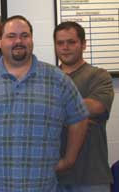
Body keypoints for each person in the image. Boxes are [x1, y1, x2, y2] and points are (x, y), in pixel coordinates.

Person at [0, 15, 89, 191]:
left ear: (32, 40)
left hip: (41, 184)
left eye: (24, 35)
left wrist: (69, 159)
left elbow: (79, 118)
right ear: (0, 42)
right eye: (11, 36)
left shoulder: (58, 79)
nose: (18, 41)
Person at [54, 21, 114, 192]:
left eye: (71, 42)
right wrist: (76, 120)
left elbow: (96, 107)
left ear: (83, 44)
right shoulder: (49, 78)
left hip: (91, 176)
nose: (65, 47)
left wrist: (55, 114)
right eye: (60, 43)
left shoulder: (99, 75)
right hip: (54, 177)